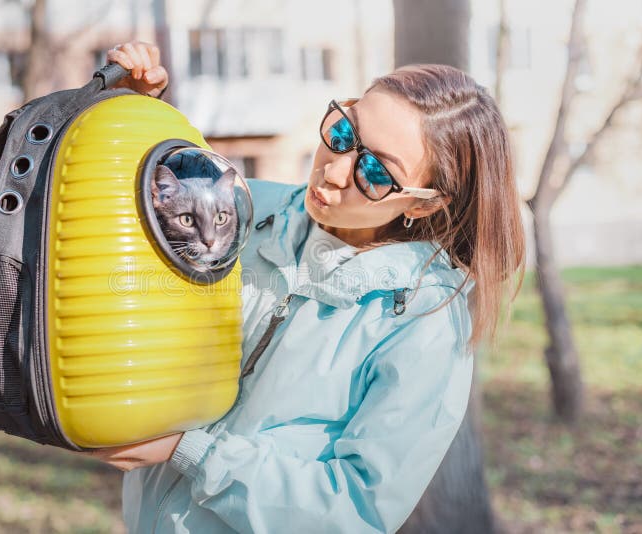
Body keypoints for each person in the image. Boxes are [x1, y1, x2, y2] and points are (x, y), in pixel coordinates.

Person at [85, 41, 526, 533]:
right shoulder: (248, 212)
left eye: (376, 172)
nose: (333, 170)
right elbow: (130, 225)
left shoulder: (423, 323)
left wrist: (190, 452)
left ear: (422, 204)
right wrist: (138, 114)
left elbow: (358, 508)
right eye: (343, 132)